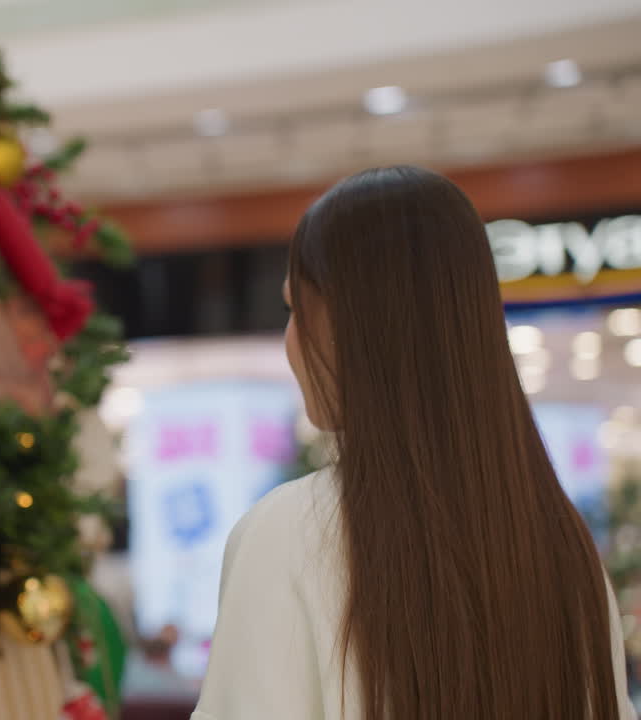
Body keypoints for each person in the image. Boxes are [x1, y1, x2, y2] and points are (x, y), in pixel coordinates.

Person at [191, 166, 634, 720]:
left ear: (351, 323)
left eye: (295, 310)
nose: (291, 339)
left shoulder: (288, 533)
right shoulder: (560, 544)